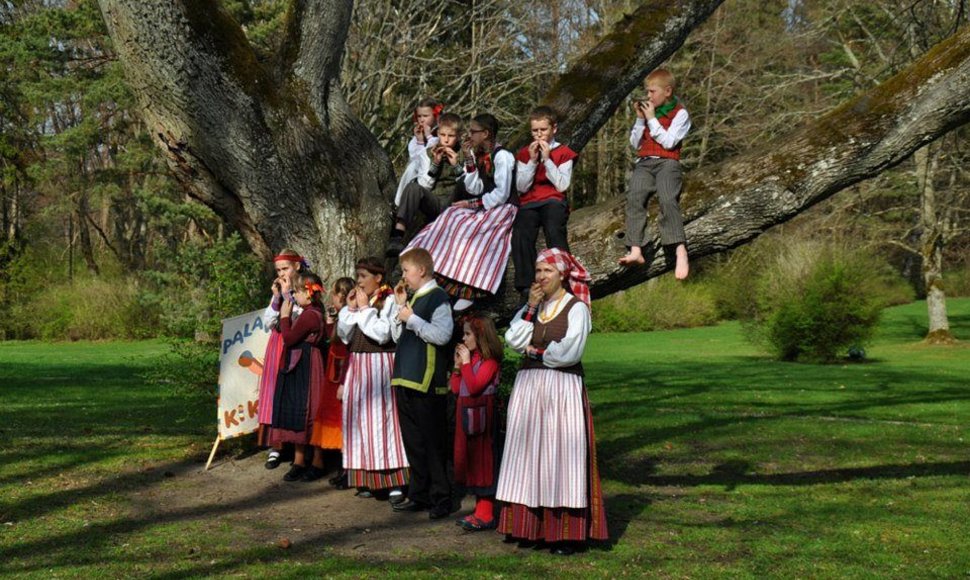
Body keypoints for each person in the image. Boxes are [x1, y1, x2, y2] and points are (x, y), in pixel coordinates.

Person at [496, 248, 608, 555]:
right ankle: (529, 527)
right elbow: (514, 340)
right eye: (539, 271)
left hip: (561, 390)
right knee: (527, 454)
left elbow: (569, 352)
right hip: (529, 388)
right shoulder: (533, 306)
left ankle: (565, 534)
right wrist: (530, 309)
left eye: (547, 271)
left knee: (560, 456)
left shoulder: (576, 308)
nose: (541, 277)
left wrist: (536, 351)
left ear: (562, 274)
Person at [405, 113, 516, 310]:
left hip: (502, 208)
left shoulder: (503, 157)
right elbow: (475, 187)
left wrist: (473, 204)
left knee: (473, 232)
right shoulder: (479, 156)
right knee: (450, 216)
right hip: (483, 205)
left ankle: (470, 287)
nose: (470, 136)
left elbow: (502, 193)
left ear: (486, 134)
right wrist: (468, 160)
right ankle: (438, 271)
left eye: (474, 132)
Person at [388, 248, 455, 519]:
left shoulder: (438, 298)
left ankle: (442, 498)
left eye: (406, 270)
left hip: (427, 382)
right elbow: (396, 336)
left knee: (432, 443)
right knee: (413, 442)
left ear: (422, 270)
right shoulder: (413, 298)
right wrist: (400, 307)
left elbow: (442, 335)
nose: (404, 276)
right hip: (405, 378)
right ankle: (419, 494)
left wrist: (412, 319)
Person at [337, 258, 409, 502]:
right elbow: (345, 337)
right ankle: (366, 479)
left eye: (363, 276)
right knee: (359, 422)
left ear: (378, 278)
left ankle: (395, 482)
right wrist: (351, 310)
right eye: (357, 276)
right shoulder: (361, 302)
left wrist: (365, 309)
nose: (358, 281)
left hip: (380, 366)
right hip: (358, 366)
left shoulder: (388, 300)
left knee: (383, 422)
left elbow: (383, 334)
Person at [619, 68, 691, 280]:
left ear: (667, 91)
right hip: (644, 163)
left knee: (668, 198)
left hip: (668, 162)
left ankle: (680, 250)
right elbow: (635, 144)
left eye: (652, 92)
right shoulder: (648, 114)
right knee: (634, 197)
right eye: (647, 92)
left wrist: (651, 119)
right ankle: (635, 249)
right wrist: (641, 120)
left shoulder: (680, 113)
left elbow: (669, 142)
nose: (648, 96)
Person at [511, 106, 579, 297]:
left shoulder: (564, 153)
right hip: (530, 202)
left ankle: (562, 275)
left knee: (553, 228)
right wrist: (533, 161)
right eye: (535, 130)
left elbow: (562, 185)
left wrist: (548, 160)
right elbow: (522, 187)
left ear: (553, 129)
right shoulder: (525, 153)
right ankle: (526, 283)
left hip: (553, 200)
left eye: (543, 130)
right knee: (521, 231)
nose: (539, 134)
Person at [272, 272, 328, 482]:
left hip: (307, 364)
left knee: (310, 410)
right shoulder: (308, 312)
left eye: (296, 291)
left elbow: (289, 338)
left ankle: (317, 461)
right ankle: (299, 460)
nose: (293, 296)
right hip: (300, 362)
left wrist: (285, 316)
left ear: (308, 291)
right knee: (299, 410)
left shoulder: (311, 315)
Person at [450, 313, 502, 532]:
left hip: (483, 422)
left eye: (468, 334)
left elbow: (474, 387)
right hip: (468, 420)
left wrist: (466, 364)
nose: (464, 338)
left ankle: (486, 513)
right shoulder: (473, 361)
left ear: (481, 336)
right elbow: (456, 388)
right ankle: (480, 511)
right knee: (471, 463)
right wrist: (457, 367)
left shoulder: (489, 363)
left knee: (484, 464)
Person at [386, 112, 464, 256]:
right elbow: (424, 185)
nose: (446, 140)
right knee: (413, 187)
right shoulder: (426, 153)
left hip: (456, 201)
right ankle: (398, 234)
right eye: (442, 135)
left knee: (462, 184)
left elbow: (470, 185)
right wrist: (435, 164)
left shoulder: (466, 153)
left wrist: (456, 166)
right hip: (434, 200)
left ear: (458, 136)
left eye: (451, 136)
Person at [257, 249, 305, 469]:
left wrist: (287, 296)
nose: (281, 273)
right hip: (277, 344)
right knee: (273, 390)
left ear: (296, 267)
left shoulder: (305, 288)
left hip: (294, 344)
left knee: (291, 394)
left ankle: (296, 446)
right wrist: (277, 297)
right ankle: (275, 446)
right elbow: (269, 320)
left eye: (285, 268)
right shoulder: (278, 291)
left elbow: (298, 317)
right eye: (278, 270)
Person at [310, 277, 354, 486]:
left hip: (341, 374)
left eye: (335, 294)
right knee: (327, 415)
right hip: (332, 373)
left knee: (341, 419)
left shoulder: (351, 317)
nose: (332, 298)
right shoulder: (340, 318)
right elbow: (333, 340)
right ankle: (327, 462)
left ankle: (346, 468)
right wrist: (330, 323)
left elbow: (345, 345)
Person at [388, 99, 445, 256]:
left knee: (415, 188)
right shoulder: (417, 140)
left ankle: (399, 232)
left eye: (426, 116)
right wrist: (420, 141)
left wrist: (429, 139)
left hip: (436, 193)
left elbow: (427, 170)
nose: (421, 120)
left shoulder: (442, 136)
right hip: (420, 186)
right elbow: (415, 163)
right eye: (419, 116)